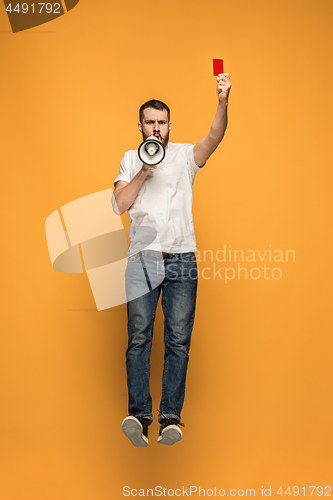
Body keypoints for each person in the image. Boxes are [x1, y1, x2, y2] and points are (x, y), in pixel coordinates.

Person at [112, 73, 232, 447]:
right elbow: (119, 204)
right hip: (143, 259)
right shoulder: (131, 159)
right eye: (150, 121)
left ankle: (170, 419)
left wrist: (223, 102)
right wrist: (145, 173)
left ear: (169, 126)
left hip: (181, 259)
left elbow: (214, 138)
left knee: (178, 341)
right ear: (140, 125)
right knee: (139, 339)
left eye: (162, 122)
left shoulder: (183, 155)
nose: (156, 128)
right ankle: (138, 415)